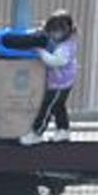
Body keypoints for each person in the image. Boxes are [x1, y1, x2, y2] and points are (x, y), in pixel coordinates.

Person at [21, 10, 79, 146]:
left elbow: (55, 61)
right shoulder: (63, 40)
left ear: (65, 31)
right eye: (51, 31)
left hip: (60, 84)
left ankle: (37, 133)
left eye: (55, 31)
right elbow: (45, 34)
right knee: (58, 106)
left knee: (46, 107)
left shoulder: (65, 47)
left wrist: (40, 52)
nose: (52, 34)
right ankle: (63, 131)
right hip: (62, 82)